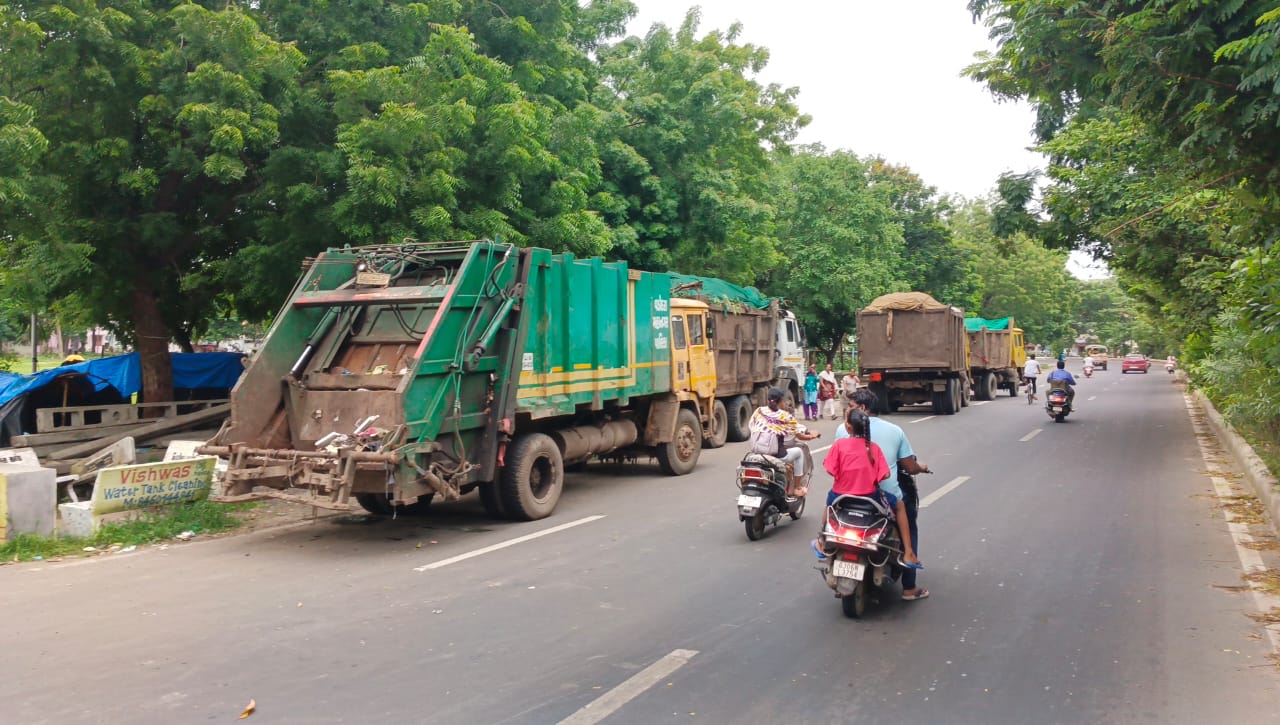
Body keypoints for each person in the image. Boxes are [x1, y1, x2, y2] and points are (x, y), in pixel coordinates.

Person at [839, 388, 932, 600]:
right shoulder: (893, 431)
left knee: (831, 508)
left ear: (861, 409)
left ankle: (822, 541)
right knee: (906, 516)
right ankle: (909, 581)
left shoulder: (843, 430)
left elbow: (834, 466)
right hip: (879, 497)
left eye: (850, 407)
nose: (846, 411)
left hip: (846, 493)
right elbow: (907, 466)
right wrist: (921, 467)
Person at [819, 409, 920, 568]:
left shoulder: (839, 445)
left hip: (840, 495)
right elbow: (884, 475)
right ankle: (908, 552)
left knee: (829, 505)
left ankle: (821, 541)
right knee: (900, 506)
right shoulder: (874, 448)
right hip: (871, 497)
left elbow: (830, 469)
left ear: (848, 428)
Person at [749, 387, 820, 496]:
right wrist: (812, 436)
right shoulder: (785, 417)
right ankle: (797, 488)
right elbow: (801, 436)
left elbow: (751, 426)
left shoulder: (759, 411)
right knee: (799, 453)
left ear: (768, 400)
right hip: (776, 454)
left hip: (757, 451)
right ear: (781, 402)